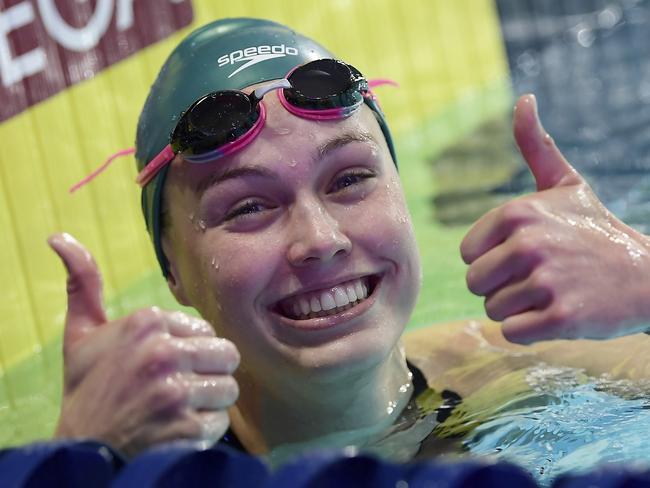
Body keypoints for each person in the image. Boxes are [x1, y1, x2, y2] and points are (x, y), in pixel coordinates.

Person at [48, 18, 650, 462]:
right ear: (172, 269)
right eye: (248, 206)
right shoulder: (130, 461)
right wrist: (76, 455)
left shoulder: (519, 369)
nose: (319, 239)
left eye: (350, 179)